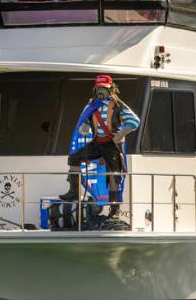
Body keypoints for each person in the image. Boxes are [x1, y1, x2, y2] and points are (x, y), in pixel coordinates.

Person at [59, 74, 141, 218]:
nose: (100, 92)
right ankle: (74, 191)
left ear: (110, 89)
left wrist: (121, 134)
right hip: (97, 143)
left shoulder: (117, 105)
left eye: (104, 88)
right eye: (99, 88)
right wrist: (84, 128)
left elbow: (134, 121)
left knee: (113, 175)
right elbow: (84, 124)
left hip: (112, 145)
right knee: (74, 158)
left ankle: (114, 210)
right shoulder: (92, 105)